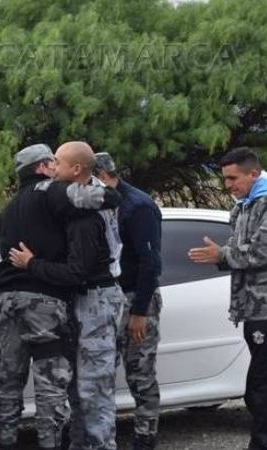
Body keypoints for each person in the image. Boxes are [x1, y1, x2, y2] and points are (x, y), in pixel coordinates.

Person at [0, 143, 121, 450]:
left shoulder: (6, 211)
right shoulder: (53, 193)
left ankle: (5, 443)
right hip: (45, 302)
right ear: (40, 168)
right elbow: (108, 197)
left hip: (8, 302)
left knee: (7, 383)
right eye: (52, 163)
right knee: (51, 389)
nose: (55, 169)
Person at [188, 147, 267, 450]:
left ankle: (261, 443)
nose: (228, 185)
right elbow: (240, 247)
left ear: (253, 174)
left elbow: (265, 252)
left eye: (233, 178)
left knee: (264, 381)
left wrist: (221, 254)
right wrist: (222, 254)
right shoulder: (246, 205)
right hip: (254, 306)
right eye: (225, 179)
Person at [93, 152, 163, 450]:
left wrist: (139, 312)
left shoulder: (137, 206)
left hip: (136, 297)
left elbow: (150, 263)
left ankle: (145, 437)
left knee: (140, 372)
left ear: (103, 176)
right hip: (107, 299)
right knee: (102, 372)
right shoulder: (100, 204)